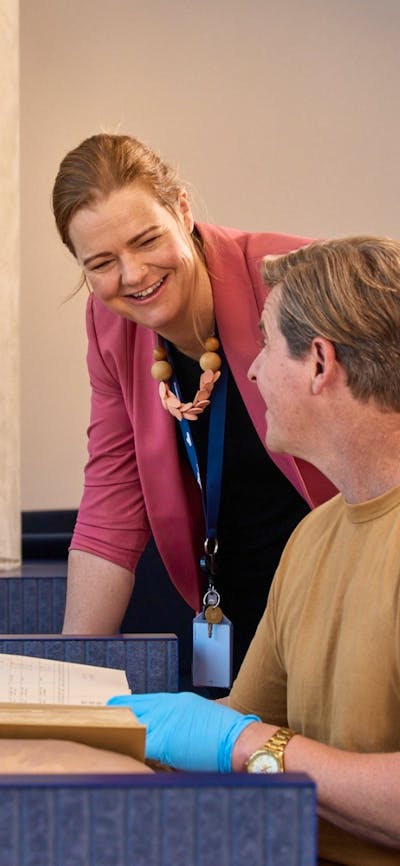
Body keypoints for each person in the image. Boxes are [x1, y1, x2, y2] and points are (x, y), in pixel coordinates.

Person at [109, 236, 400, 865]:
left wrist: (253, 745)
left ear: (320, 363)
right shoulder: (312, 538)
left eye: (266, 343)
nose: (253, 369)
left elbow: (245, 740)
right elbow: (238, 728)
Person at [52, 133, 335, 682]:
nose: (132, 275)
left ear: (181, 210)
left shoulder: (295, 278)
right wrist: (69, 686)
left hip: (338, 606)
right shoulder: (109, 326)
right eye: (103, 262)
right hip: (225, 614)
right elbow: (110, 509)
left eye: (146, 239)